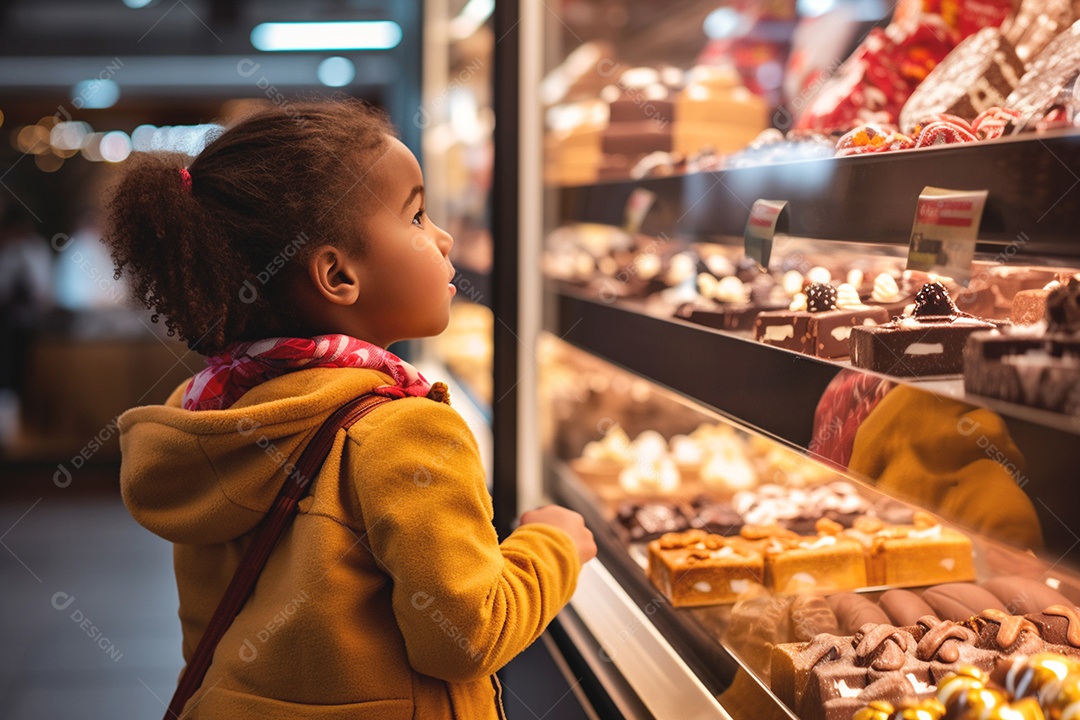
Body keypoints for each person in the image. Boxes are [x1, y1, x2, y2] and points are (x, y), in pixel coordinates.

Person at [104, 100, 595, 719]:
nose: (442, 237)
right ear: (337, 275)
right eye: (416, 217)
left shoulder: (208, 411)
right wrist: (553, 546)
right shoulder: (405, 429)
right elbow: (466, 635)